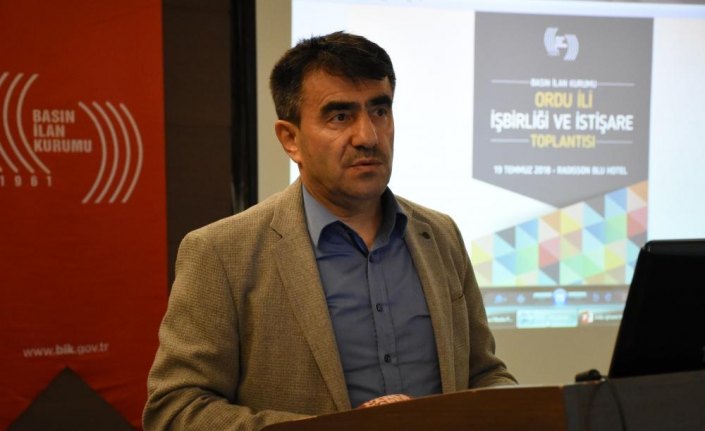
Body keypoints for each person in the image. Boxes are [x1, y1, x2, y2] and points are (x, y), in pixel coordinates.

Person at [143, 31, 516, 431]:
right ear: (290, 139)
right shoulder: (221, 252)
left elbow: (484, 375)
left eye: (379, 110)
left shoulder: (440, 235)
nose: (368, 136)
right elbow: (176, 409)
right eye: (340, 116)